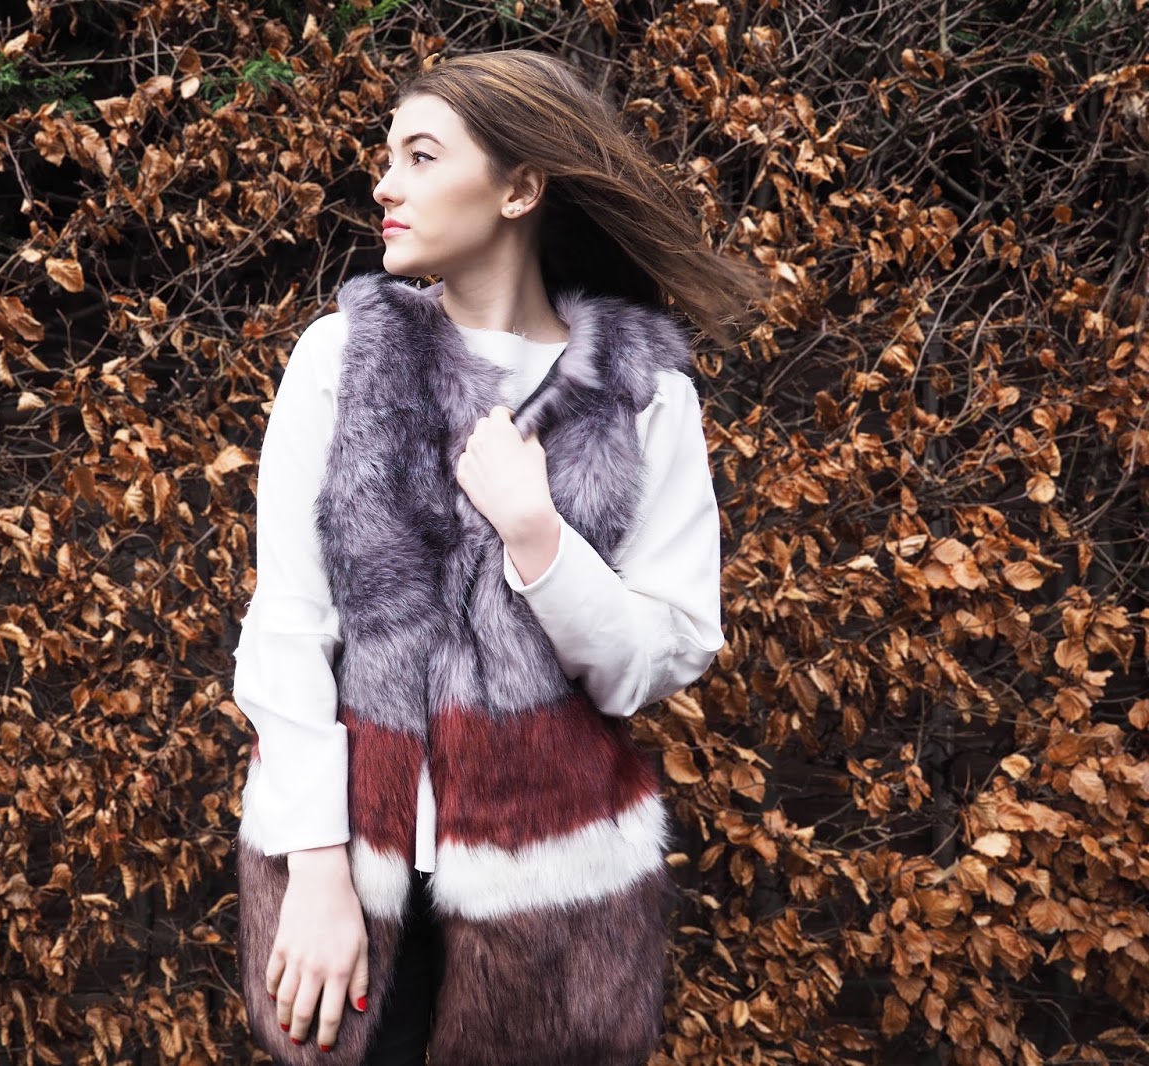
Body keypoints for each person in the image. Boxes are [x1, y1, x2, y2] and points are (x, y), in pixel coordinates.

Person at [230, 49, 767, 1066]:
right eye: (388, 156)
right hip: (348, 879)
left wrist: (539, 537)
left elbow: (663, 653)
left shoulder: (644, 395)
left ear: (520, 189)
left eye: (421, 156)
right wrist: (318, 869)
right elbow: (289, 623)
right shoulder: (339, 361)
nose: (384, 185)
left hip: (557, 904)